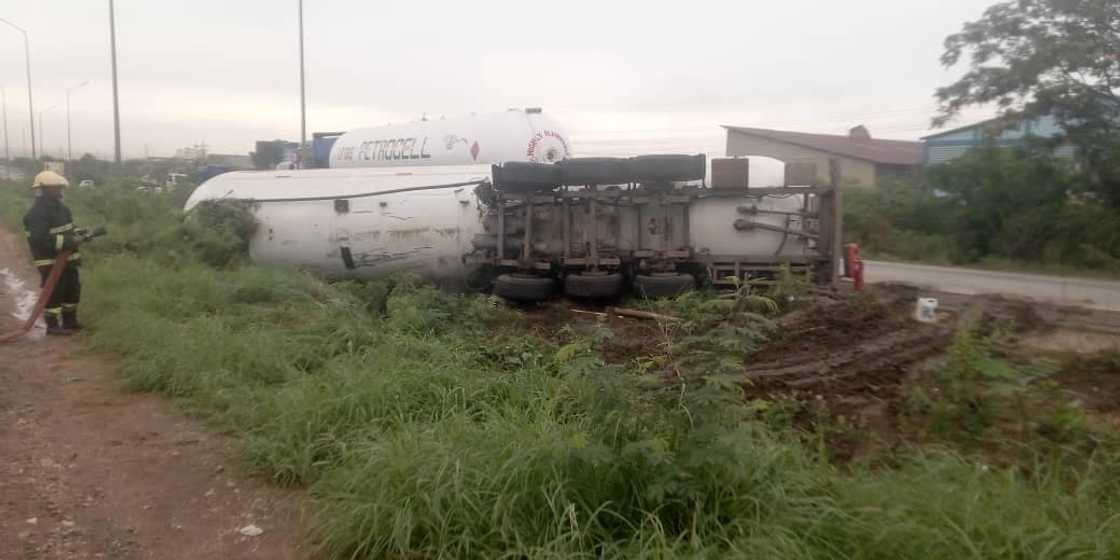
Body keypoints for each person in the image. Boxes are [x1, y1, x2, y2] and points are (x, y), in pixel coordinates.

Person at [23, 171, 83, 335]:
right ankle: (52, 326)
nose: (59, 191)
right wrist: (69, 242)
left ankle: (70, 321)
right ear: (42, 190)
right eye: (55, 188)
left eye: (60, 187)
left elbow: (69, 229)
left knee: (72, 289)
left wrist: (80, 234)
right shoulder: (36, 213)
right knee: (55, 291)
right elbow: (40, 240)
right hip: (49, 261)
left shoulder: (63, 209)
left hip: (69, 259)